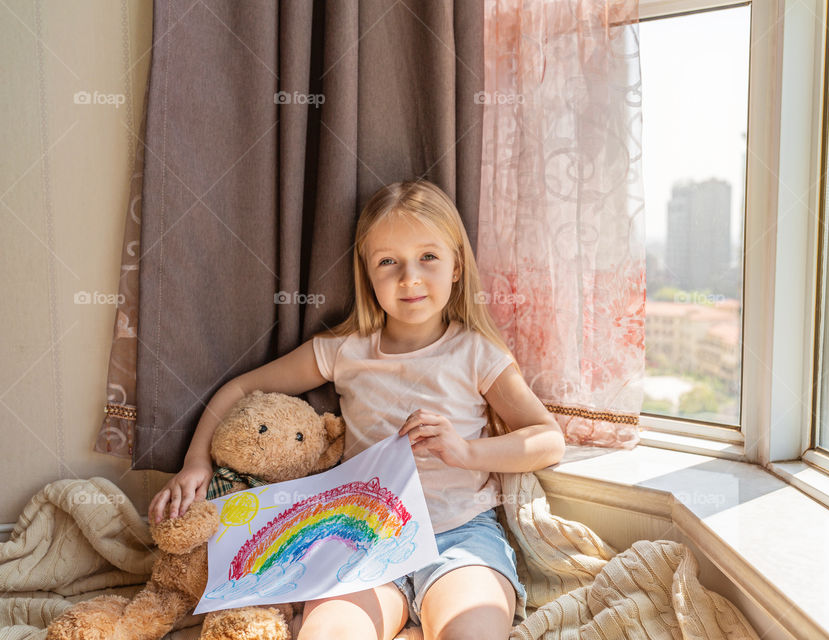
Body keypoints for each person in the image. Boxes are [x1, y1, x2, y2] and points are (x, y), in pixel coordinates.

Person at [148, 179, 566, 640]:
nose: (410, 277)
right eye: (388, 262)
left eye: (428, 256)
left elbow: (547, 439)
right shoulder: (345, 350)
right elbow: (243, 388)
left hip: (460, 538)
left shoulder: (476, 354)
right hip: (363, 541)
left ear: (456, 266)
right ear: (367, 273)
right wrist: (196, 461)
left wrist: (466, 452)